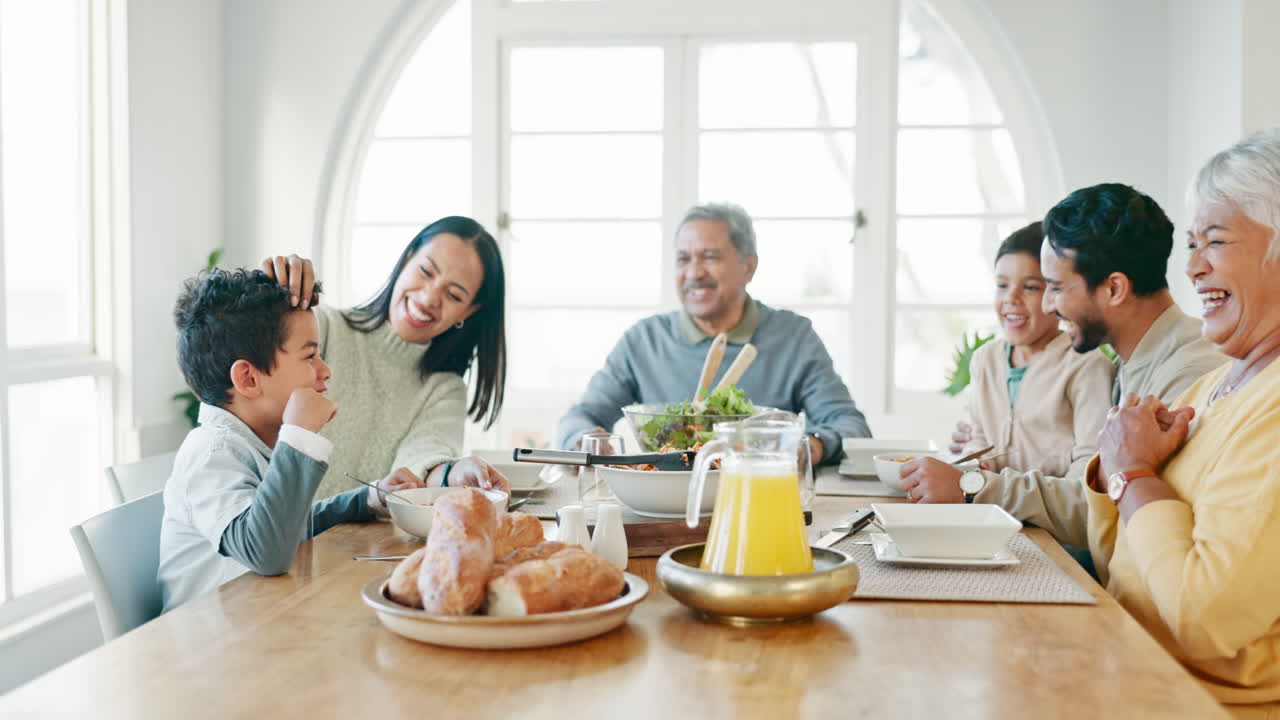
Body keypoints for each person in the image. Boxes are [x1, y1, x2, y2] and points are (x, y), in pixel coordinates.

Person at [900, 184, 1223, 552]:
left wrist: (972, 485)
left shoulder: (1190, 378)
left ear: (1114, 289)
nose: (1049, 306)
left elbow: (1107, 513)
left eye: (1054, 287)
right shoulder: (1129, 365)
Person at [1085, 127, 1280, 717]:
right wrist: (1115, 472)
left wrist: (1136, 473)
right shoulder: (1213, 385)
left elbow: (1201, 617)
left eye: (1214, 242)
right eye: (1191, 245)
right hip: (1129, 675)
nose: (1192, 268)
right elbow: (1120, 571)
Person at [158, 269, 417, 611]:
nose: (325, 371)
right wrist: (298, 436)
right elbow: (265, 551)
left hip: (258, 626)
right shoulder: (211, 453)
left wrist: (366, 499)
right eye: (309, 356)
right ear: (249, 379)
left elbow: (288, 525)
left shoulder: (251, 443)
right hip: (207, 651)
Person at [557, 202, 871, 465]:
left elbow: (851, 427)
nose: (694, 273)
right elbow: (580, 417)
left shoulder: (793, 337)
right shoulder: (645, 340)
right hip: (664, 503)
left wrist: (808, 446)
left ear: (748, 267)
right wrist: (583, 439)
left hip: (757, 495)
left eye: (710, 257)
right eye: (683, 259)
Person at [262, 216, 510, 498]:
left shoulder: (443, 389)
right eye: (426, 272)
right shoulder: (324, 329)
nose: (429, 298)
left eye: (453, 295)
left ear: (468, 312)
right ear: (406, 260)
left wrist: (454, 472)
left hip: (356, 542)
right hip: (272, 534)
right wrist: (273, 286)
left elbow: (424, 460)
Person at [951, 221, 1115, 485]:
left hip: (1050, 522)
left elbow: (1089, 467)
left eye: (1030, 287)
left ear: (1054, 293)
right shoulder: (985, 360)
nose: (1011, 298)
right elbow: (978, 441)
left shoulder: (1086, 366)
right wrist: (976, 463)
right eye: (1002, 285)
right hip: (991, 512)